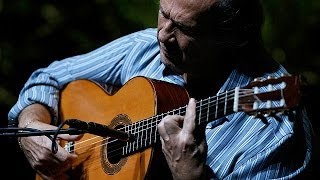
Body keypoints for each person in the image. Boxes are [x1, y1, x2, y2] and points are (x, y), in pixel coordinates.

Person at [8, 0, 313, 179]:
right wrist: (30, 126)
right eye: (164, 14)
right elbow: (48, 77)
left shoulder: (276, 137)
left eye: (186, 29)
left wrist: (190, 177)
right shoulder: (146, 46)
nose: (163, 35)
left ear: (231, 39)